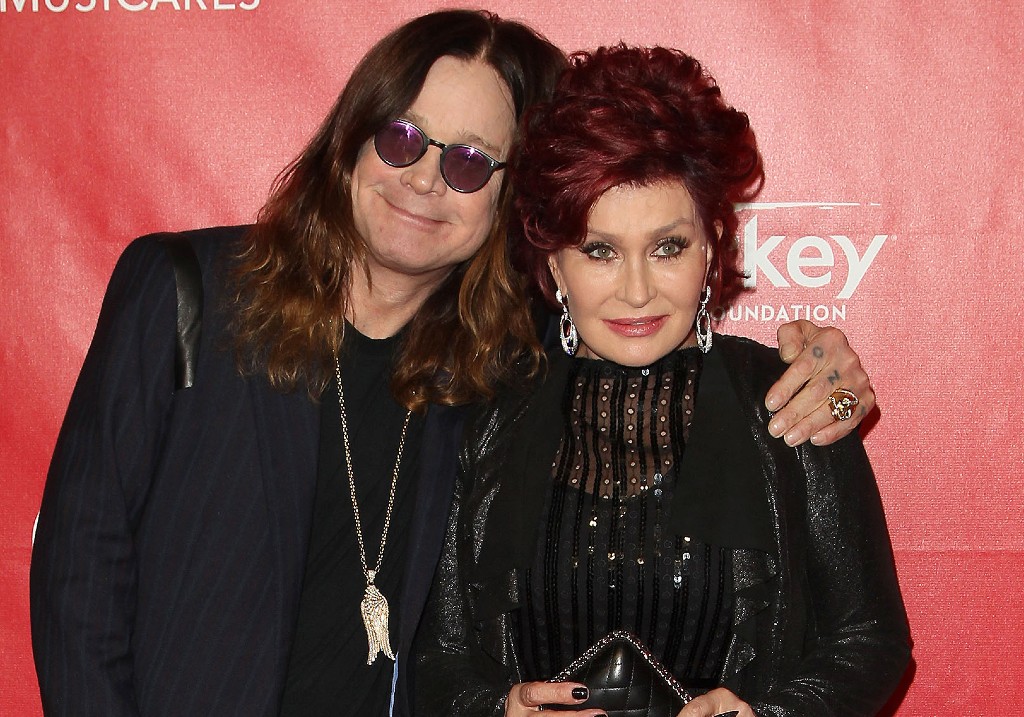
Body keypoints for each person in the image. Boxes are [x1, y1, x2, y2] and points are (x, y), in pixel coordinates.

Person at [30, 10, 872, 716]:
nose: (426, 180)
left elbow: (645, 342)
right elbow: (79, 580)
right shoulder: (187, 291)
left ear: (511, 204)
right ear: (350, 143)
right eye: (403, 139)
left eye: (471, 161)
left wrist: (827, 370)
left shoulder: (500, 366)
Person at [415, 45, 910, 717]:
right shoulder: (488, 414)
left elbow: (871, 638)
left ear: (711, 244)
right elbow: (436, 653)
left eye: (667, 247)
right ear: (554, 265)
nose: (638, 290)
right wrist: (496, 708)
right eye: (600, 251)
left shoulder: (790, 393)